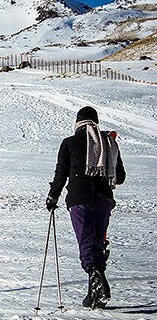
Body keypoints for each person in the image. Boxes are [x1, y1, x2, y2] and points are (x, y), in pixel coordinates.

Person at [47, 106, 126, 309]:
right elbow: (121, 177)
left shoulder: (70, 143)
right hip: (104, 201)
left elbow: (61, 173)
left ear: (78, 122)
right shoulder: (108, 142)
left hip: (80, 200)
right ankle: (94, 295)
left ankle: (97, 278)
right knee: (98, 244)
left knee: (87, 243)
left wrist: (52, 196)